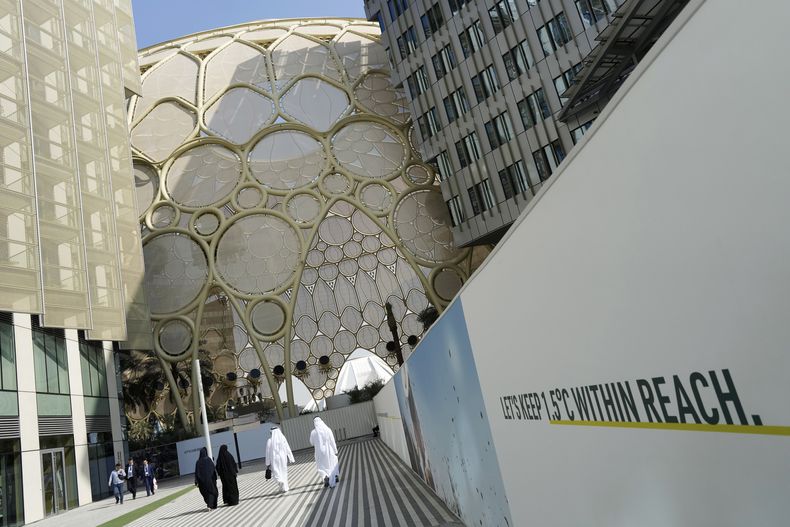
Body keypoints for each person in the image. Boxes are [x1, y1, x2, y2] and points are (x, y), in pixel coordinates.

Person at [310, 416, 339, 488]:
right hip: (329, 451)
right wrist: (335, 450)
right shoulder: (328, 429)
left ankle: (325, 477)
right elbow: (332, 440)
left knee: (321, 466)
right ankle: (335, 476)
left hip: (319, 453)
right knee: (332, 463)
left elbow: (311, 443)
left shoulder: (313, 432)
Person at [265, 427, 294, 493]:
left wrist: (267, 463)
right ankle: (285, 487)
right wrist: (291, 458)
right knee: (284, 472)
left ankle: (280, 481)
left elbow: (267, 453)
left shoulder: (269, 441)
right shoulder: (283, 439)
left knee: (276, 472)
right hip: (283, 458)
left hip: (274, 459)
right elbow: (287, 448)